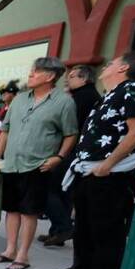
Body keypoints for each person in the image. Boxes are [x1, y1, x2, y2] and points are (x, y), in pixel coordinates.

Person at [51, 52, 135, 269]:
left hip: (110, 174)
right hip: (88, 171)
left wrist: (108, 165)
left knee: (106, 230)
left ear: (123, 68)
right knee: (84, 227)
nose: (106, 66)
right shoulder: (110, 96)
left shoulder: (132, 89)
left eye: (112, 63)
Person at [0, 57, 78, 269]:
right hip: (11, 164)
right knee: (11, 210)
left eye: (35, 72)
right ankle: (10, 250)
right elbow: (6, 130)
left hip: (38, 165)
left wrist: (59, 157)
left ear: (50, 76)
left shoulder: (63, 102)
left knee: (29, 212)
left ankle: (23, 255)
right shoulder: (19, 99)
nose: (30, 75)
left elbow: (71, 133)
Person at [39, 64, 104, 248]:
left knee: (48, 189)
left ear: (84, 79)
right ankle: (58, 232)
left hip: (69, 151)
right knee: (63, 191)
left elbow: (67, 126)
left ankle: (63, 226)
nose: (68, 79)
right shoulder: (88, 96)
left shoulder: (82, 97)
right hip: (77, 152)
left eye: (73, 76)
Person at [0, 83, 18, 154]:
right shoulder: (3, 109)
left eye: (7, 92)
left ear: (14, 95)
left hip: (6, 148)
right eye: (3, 92)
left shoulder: (16, 109)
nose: (4, 94)